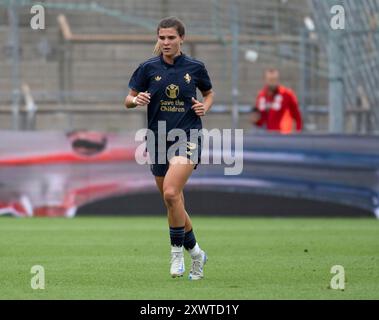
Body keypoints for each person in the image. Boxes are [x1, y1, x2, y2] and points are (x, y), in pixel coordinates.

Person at [124, 17, 214, 280]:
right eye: (162, 37)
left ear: (181, 39)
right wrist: (135, 99)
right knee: (172, 202)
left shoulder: (195, 67)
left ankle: (176, 254)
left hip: (187, 135)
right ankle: (196, 253)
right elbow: (127, 100)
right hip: (157, 138)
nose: (166, 42)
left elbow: (208, 93)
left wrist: (204, 106)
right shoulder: (147, 68)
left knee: (172, 193)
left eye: (171, 37)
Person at [251, 68, 303, 134]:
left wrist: (298, 134)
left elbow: (297, 117)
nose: (273, 82)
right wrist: (255, 120)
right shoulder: (261, 96)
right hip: (267, 136)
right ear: (265, 80)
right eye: (270, 80)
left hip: (283, 136)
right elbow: (261, 120)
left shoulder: (287, 94)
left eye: (275, 80)